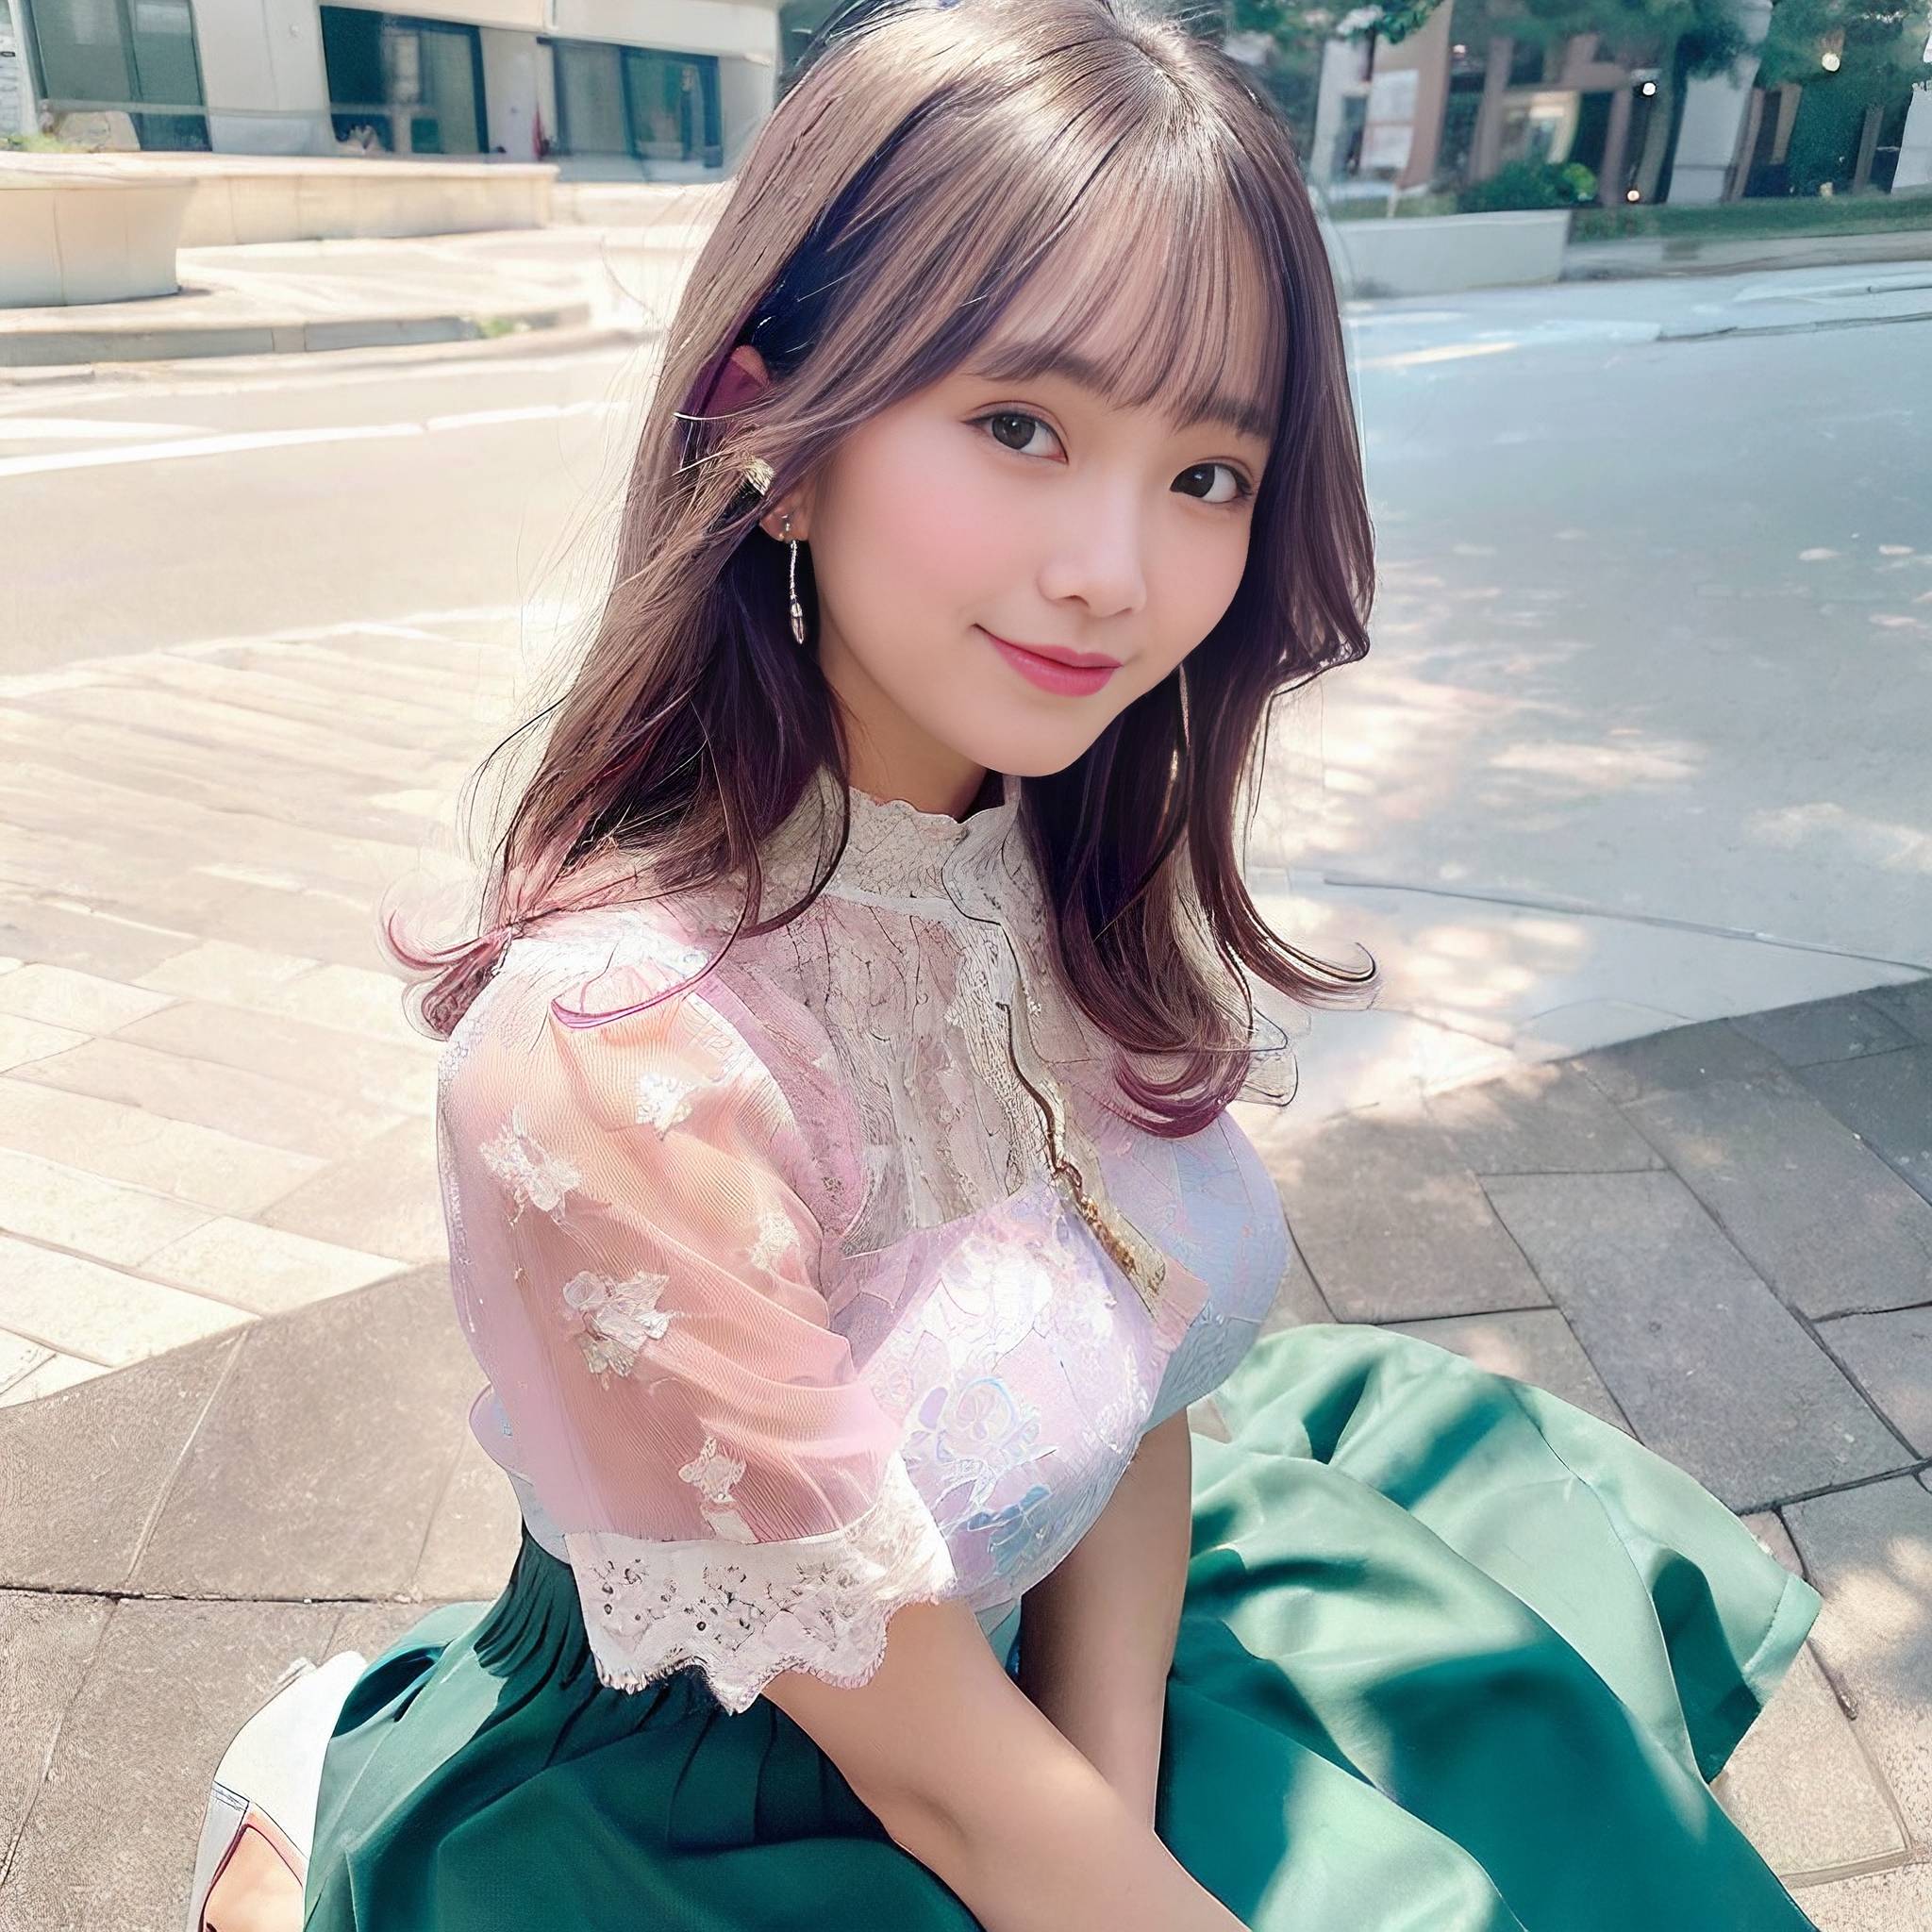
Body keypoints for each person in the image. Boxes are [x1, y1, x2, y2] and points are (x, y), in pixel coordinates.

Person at [191, 2, 1824, 1926]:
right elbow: (961, 1807)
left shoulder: (1050, 852)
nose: (1113, 569)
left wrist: (1118, 1785)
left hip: (1053, 1679)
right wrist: (1094, 1836)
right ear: (767, 436)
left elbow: (1131, 1402)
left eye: (1207, 471)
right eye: (1020, 425)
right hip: (715, 1790)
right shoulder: (616, 1061)